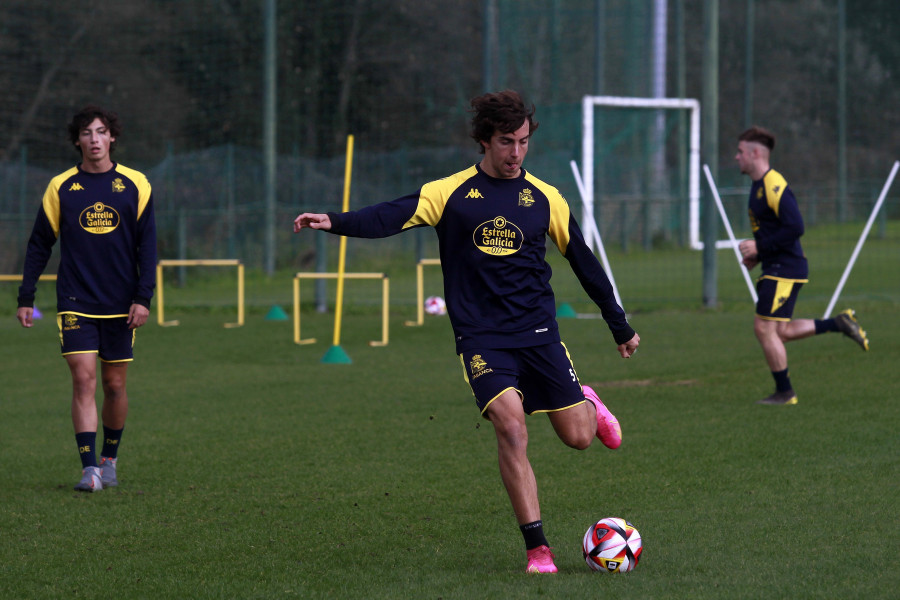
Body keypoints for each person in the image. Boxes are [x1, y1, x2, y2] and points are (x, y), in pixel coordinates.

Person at [293, 90, 640, 573]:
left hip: (539, 333)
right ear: (484, 140)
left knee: (579, 438)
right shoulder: (449, 193)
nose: (515, 153)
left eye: (522, 142)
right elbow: (390, 215)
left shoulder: (546, 198)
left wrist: (617, 324)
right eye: (505, 142)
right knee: (511, 427)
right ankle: (538, 549)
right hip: (482, 338)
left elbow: (582, 261)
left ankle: (587, 400)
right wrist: (334, 221)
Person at [17, 106, 157, 491]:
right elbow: (39, 245)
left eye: (100, 132)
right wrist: (26, 295)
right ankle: (89, 468)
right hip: (75, 299)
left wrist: (143, 298)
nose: (94, 139)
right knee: (83, 379)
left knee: (113, 385)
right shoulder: (61, 186)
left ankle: (109, 459)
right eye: (85, 133)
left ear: (112, 137)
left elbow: (148, 247)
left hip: (121, 302)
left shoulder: (136, 184)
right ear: (76, 140)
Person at [735, 126, 868, 406]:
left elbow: (796, 226)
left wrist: (760, 247)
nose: (736, 157)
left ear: (755, 153)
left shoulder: (773, 184)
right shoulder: (758, 187)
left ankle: (785, 393)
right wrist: (758, 255)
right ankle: (839, 323)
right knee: (779, 332)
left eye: (740, 152)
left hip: (785, 267)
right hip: (777, 265)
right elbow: (776, 230)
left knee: (764, 329)